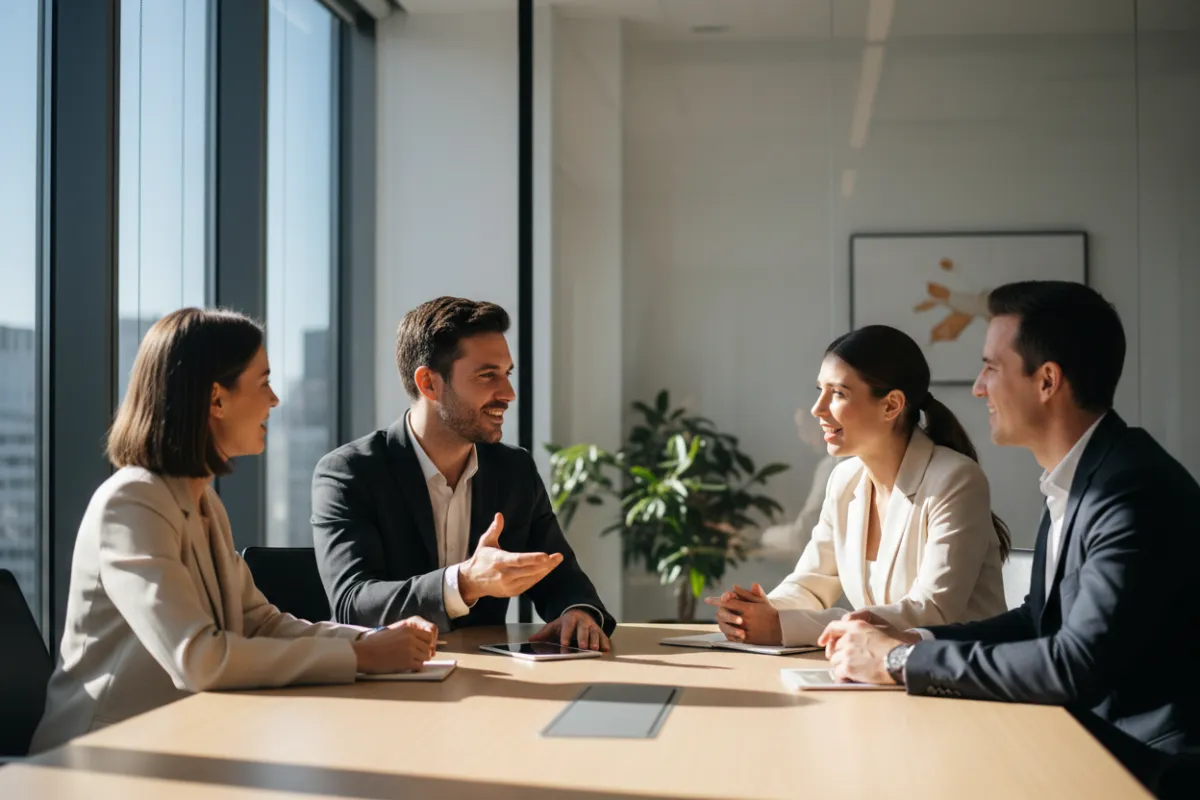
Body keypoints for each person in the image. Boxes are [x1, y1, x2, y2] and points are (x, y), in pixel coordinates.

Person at [820, 282, 1199, 795]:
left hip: (1152, 768)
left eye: (991, 368)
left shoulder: (1129, 490)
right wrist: (915, 639)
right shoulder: (1082, 477)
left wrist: (897, 661)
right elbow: (1037, 621)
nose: (978, 388)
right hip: (1090, 744)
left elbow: (1073, 663)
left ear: (1047, 381)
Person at [31, 309, 437, 754]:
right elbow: (197, 660)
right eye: (263, 382)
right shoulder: (131, 504)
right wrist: (360, 657)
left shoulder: (202, 502)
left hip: (182, 742)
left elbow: (257, 622)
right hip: (101, 760)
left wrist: (368, 640)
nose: (275, 400)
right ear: (216, 400)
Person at [312, 297, 615, 650]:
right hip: (387, 685)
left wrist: (576, 612)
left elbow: (557, 573)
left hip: (491, 680)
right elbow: (352, 604)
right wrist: (465, 582)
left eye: (507, 374)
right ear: (428, 383)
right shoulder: (350, 472)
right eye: (488, 375)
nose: (508, 394)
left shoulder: (513, 470)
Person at [706, 325, 1009, 646]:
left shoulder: (955, 479)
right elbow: (811, 584)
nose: (817, 409)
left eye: (837, 393)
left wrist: (783, 626)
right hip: (889, 672)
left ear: (891, 405)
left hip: (962, 672)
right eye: (820, 390)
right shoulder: (845, 479)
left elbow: (931, 611)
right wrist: (758, 612)